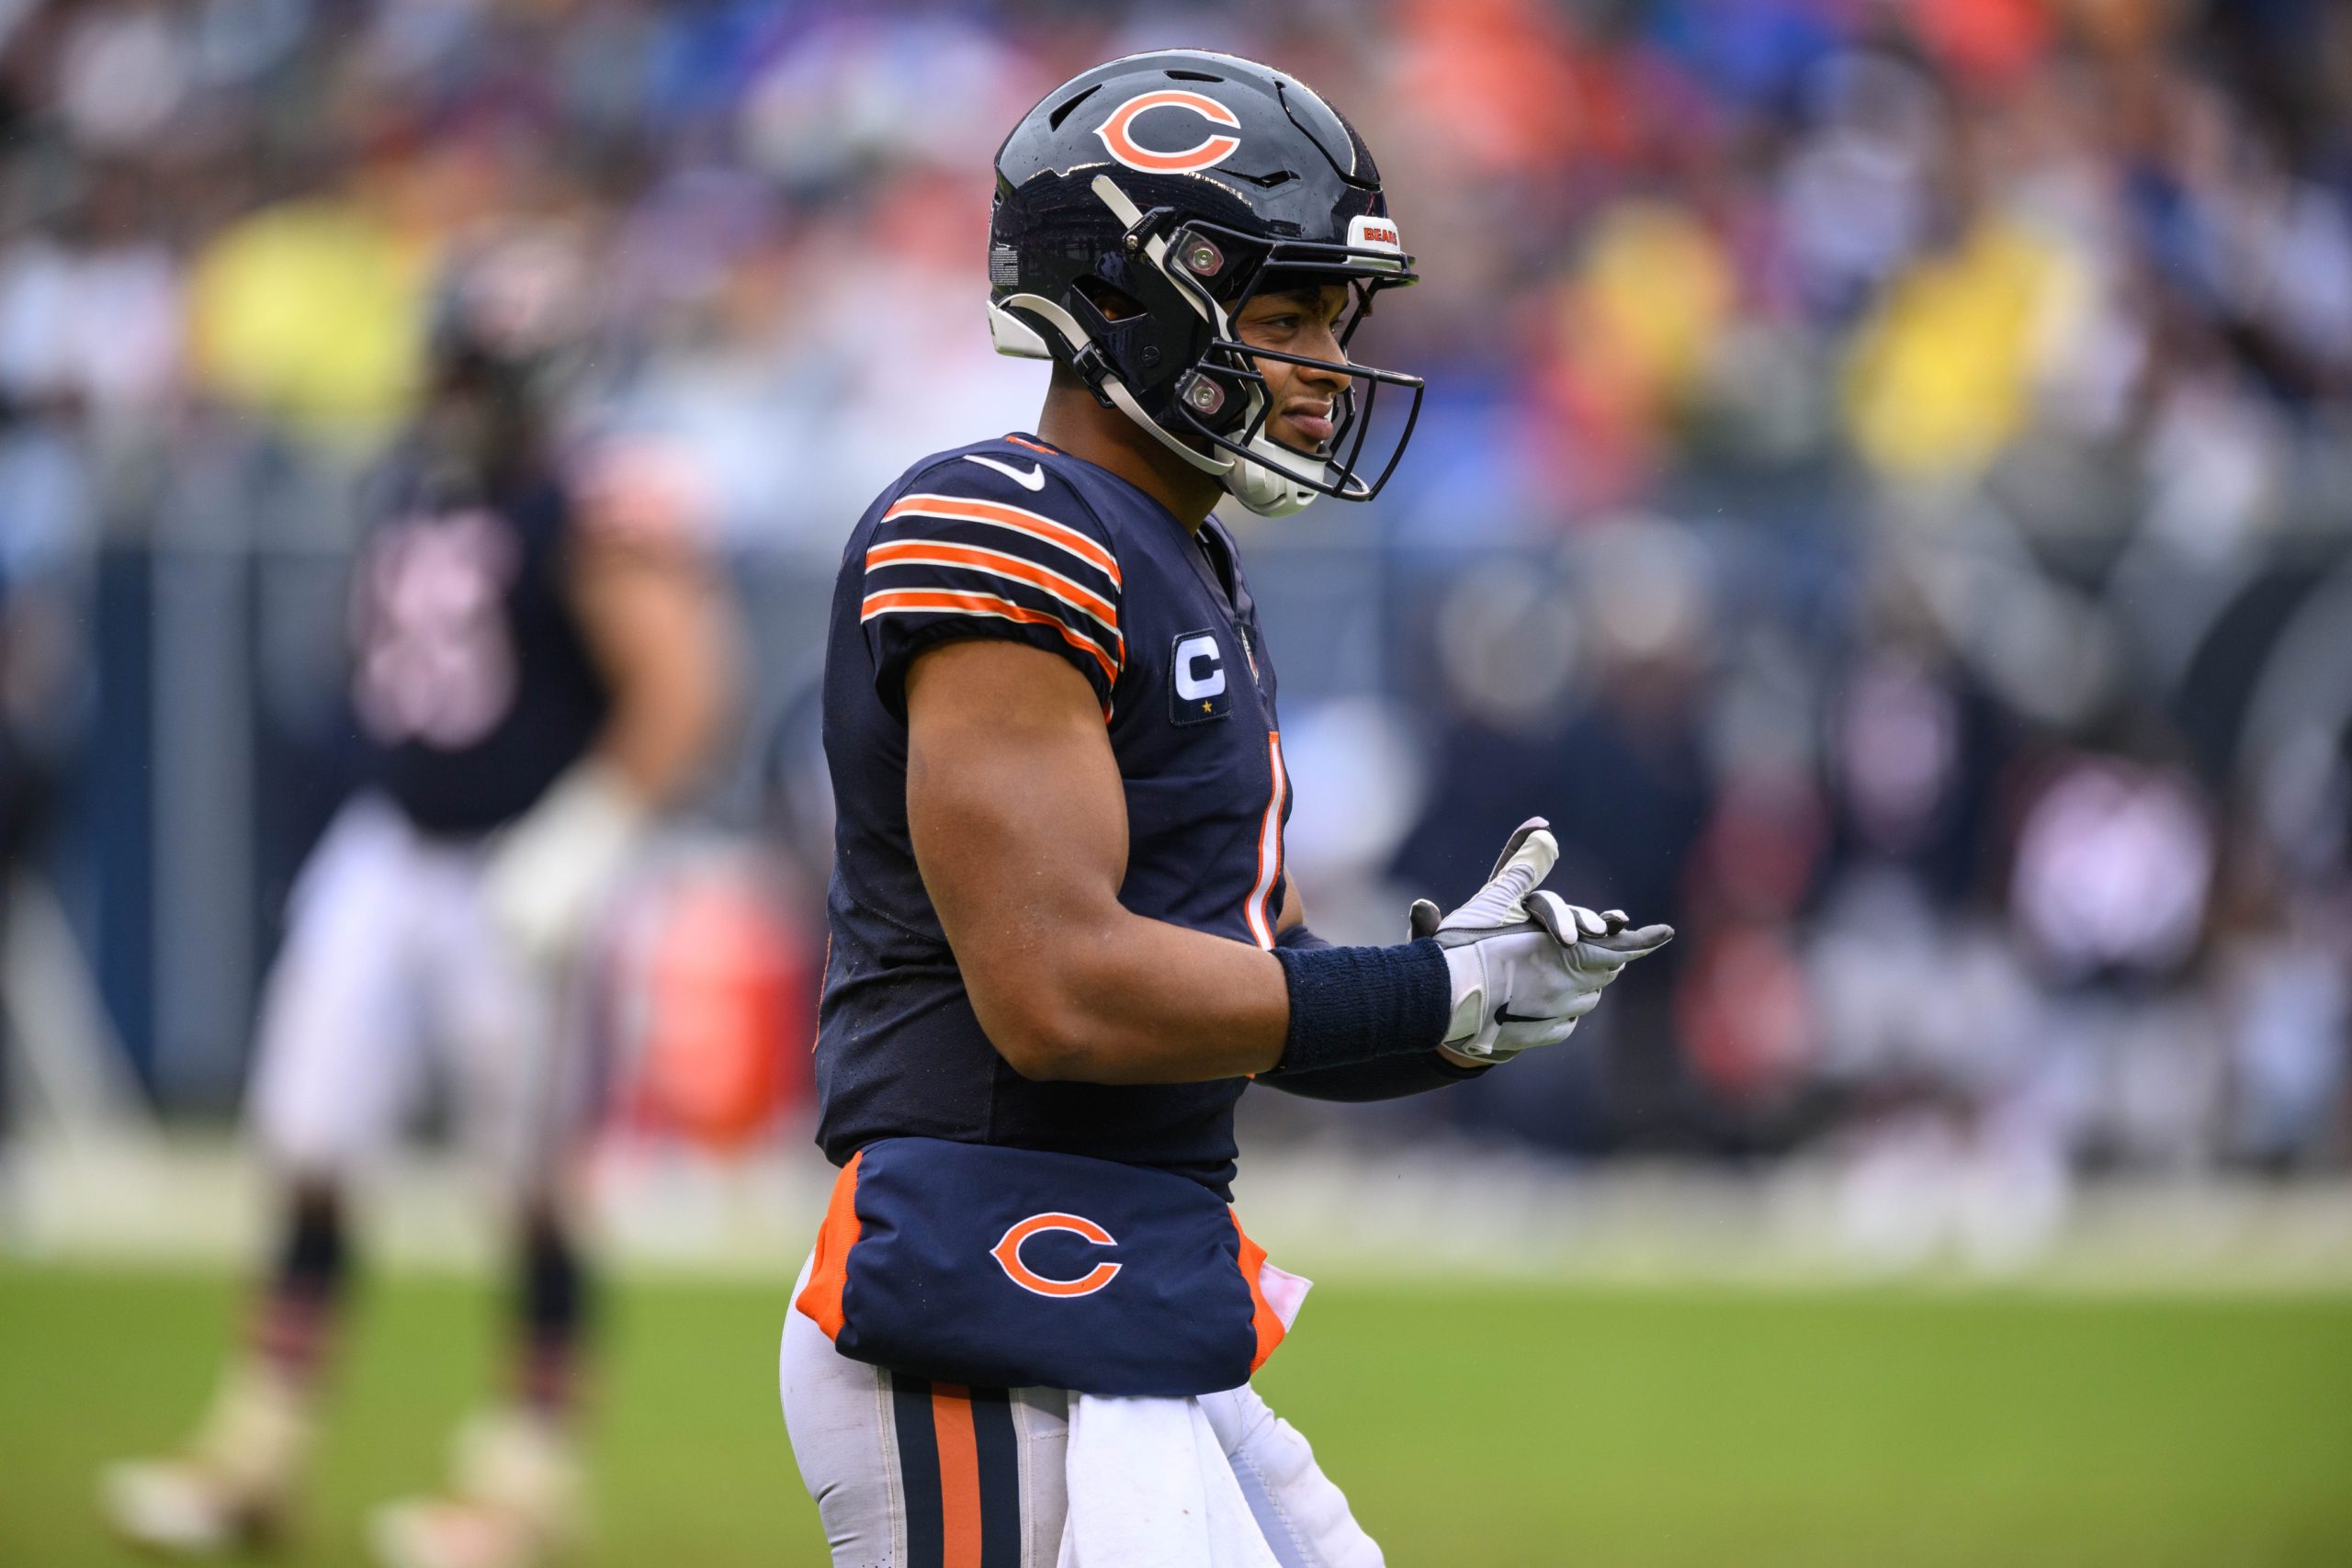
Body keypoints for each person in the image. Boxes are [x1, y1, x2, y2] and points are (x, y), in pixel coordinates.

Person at [782, 50, 1670, 1566]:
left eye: (1335, 315)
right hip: (991, 1292)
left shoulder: (1179, 556)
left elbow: (1246, 983)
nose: (1327, 361)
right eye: (1282, 312)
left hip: (1121, 1286)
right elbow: (1059, 995)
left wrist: (1463, 1006)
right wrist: (1424, 987)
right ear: (1124, 304)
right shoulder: (1002, 524)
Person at [103, 229, 736, 1568]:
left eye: (471, 367)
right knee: (309, 1145)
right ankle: (258, 1451)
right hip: (391, 849)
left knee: (531, 1185)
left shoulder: (595, 497)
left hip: (522, 866)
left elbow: (683, 689)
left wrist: (585, 836)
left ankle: (525, 1476)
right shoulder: (414, 478)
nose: (447, 390)